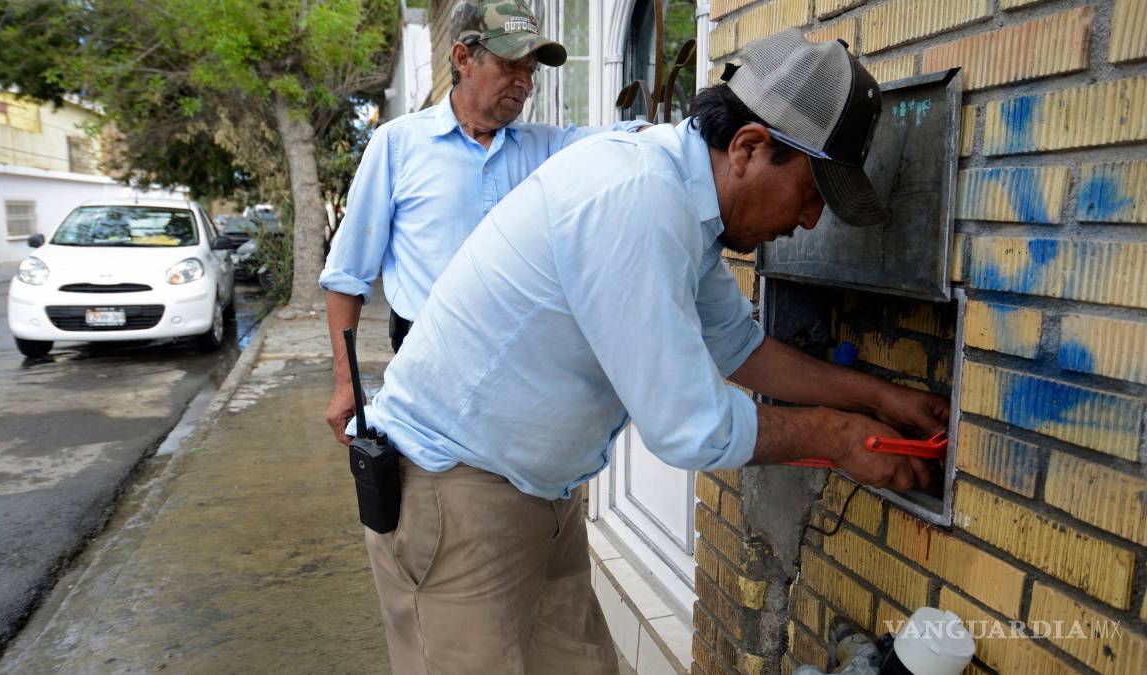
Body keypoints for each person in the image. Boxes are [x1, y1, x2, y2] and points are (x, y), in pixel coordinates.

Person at [351, 29, 950, 673]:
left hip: (535, 495)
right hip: (450, 497)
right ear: (750, 147)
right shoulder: (635, 196)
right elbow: (690, 428)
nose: (809, 221)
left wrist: (883, 398)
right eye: (811, 193)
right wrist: (839, 437)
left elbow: (739, 348)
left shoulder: (684, 201)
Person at [320, 0, 649, 446]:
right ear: (462, 58)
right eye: (512, 64)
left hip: (525, 371)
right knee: (435, 498)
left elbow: (621, 139)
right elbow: (346, 276)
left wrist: (689, 135)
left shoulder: (545, 148)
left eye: (531, 70)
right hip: (430, 369)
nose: (526, 83)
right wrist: (345, 384)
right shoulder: (398, 145)